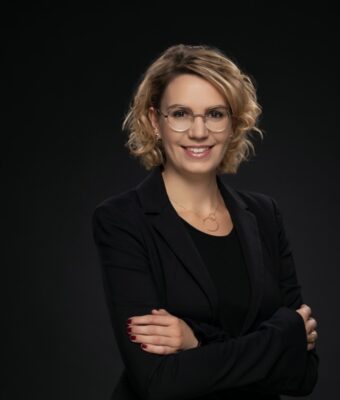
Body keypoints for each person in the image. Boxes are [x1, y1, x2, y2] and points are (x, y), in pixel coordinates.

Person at [92, 44, 319, 400]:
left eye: (215, 114)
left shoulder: (264, 214)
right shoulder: (122, 219)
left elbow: (303, 375)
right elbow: (158, 382)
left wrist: (196, 339)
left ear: (234, 123)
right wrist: (281, 336)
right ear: (154, 121)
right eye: (181, 113)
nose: (199, 131)